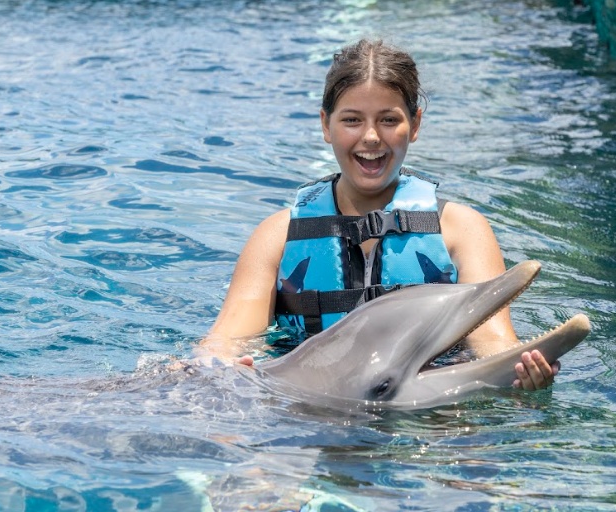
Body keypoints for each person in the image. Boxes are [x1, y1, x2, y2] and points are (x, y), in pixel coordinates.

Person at [196, 39, 558, 391]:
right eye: (352, 120)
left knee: (477, 455)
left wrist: (518, 374)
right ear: (326, 125)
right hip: (301, 412)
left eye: (388, 120)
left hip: (428, 417)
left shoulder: (461, 229)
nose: (370, 136)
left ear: (415, 125)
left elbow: (491, 341)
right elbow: (228, 339)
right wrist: (214, 371)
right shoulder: (276, 236)